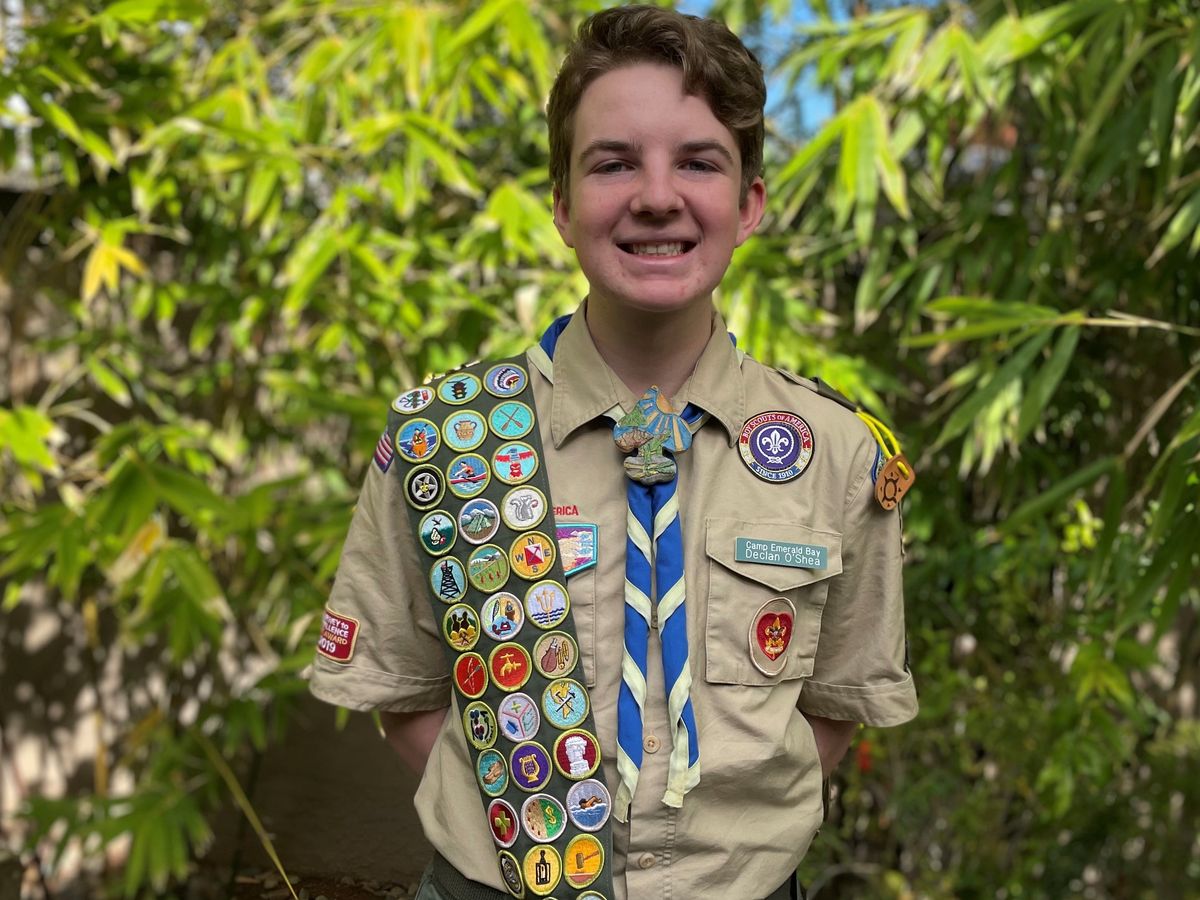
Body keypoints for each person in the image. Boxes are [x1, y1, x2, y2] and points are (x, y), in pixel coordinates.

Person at [309, 6, 917, 900]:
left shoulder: (835, 453)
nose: (657, 196)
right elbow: (402, 691)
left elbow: (833, 706)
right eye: (614, 163)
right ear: (562, 206)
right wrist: (537, 834)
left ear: (749, 204)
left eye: (698, 162)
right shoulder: (445, 440)